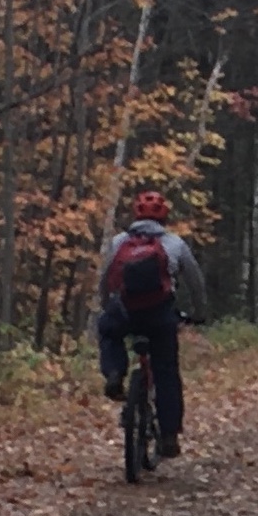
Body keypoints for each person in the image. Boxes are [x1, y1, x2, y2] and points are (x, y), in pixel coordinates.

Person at [97, 190, 207, 458]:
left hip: (125, 313)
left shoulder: (119, 242)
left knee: (107, 330)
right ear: (164, 216)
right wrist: (200, 312)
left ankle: (114, 372)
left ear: (135, 215)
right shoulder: (175, 244)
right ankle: (169, 436)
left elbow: (105, 279)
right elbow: (196, 283)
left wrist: (106, 306)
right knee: (167, 371)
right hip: (159, 317)